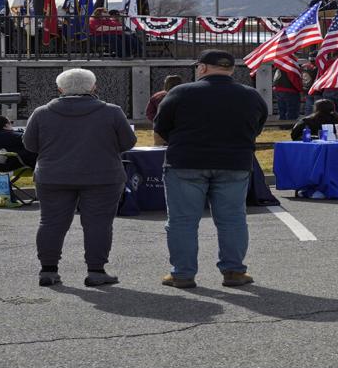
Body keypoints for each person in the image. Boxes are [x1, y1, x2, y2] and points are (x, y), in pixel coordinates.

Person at [154, 49, 270, 289]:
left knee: (182, 221)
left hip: (186, 162)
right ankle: (234, 272)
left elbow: (162, 126)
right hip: (234, 163)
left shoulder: (181, 92)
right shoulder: (250, 95)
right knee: (233, 219)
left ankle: (182, 274)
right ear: (230, 69)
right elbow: (257, 126)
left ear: (203, 68)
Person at [22, 68, 138, 287]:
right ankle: (96, 271)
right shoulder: (112, 112)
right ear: (93, 88)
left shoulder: (42, 112)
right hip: (102, 176)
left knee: (51, 223)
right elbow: (128, 143)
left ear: (60, 89)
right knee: (98, 224)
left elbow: (30, 145)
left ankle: (48, 270)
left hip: (52, 176)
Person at [146, 75, 183, 146]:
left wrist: (158, 120)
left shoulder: (157, 96)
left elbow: (149, 113)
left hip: (160, 130)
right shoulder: (186, 95)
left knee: (160, 152)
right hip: (180, 129)